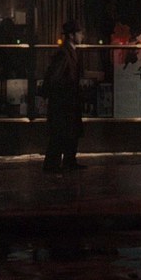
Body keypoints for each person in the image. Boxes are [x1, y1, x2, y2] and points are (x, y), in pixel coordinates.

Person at [41, 20, 86, 173]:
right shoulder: (64, 53)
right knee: (61, 133)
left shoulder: (68, 51)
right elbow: (55, 77)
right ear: (72, 35)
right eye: (79, 33)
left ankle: (68, 161)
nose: (82, 36)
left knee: (68, 132)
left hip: (67, 100)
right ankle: (54, 164)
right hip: (64, 101)